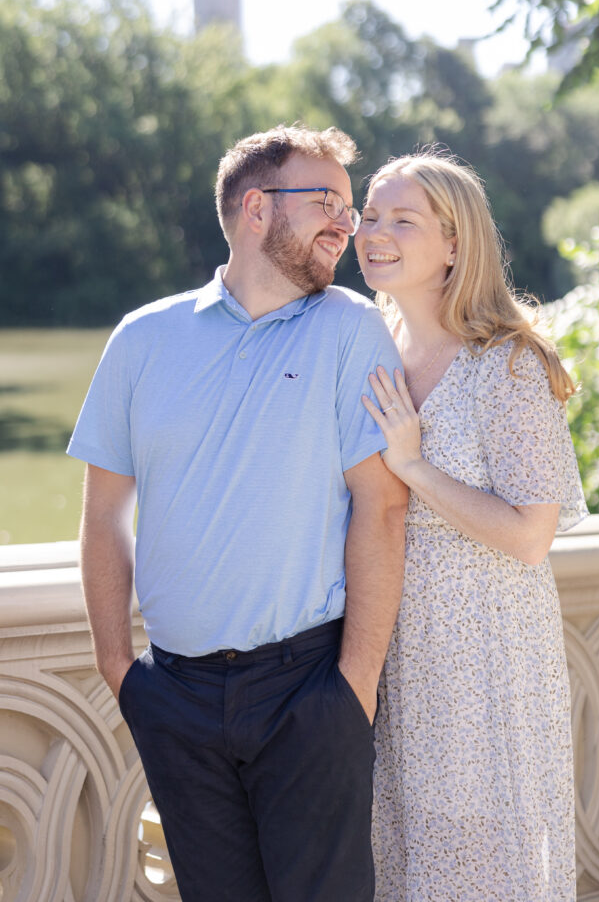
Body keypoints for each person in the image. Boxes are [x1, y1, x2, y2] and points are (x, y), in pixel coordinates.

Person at [67, 124, 408, 902]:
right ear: (256, 208)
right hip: (175, 697)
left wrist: (352, 685)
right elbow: (103, 520)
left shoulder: (352, 329)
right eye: (325, 202)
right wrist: (120, 670)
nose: (344, 226)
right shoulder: (142, 339)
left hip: (308, 690)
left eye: (348, 209)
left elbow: (380, 510)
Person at [354, 150, 588, 902]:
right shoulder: (366, 346)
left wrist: (415, 468)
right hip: (393, 647)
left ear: (454, 244)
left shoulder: (506, 363)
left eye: (401, 219)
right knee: (406, 858)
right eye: (368, 216)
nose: (374, 232)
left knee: (487, 861)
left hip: (486, 656)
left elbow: (529, 535)